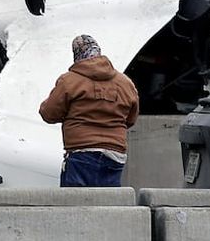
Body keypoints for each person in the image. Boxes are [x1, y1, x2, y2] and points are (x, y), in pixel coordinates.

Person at [38, 34, 139, 187]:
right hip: (115, 154)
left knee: (76, 207)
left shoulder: (69, 81)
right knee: (109, 205)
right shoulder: (126, 83)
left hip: (82, 153)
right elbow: (130, 119)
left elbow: (48, 114)